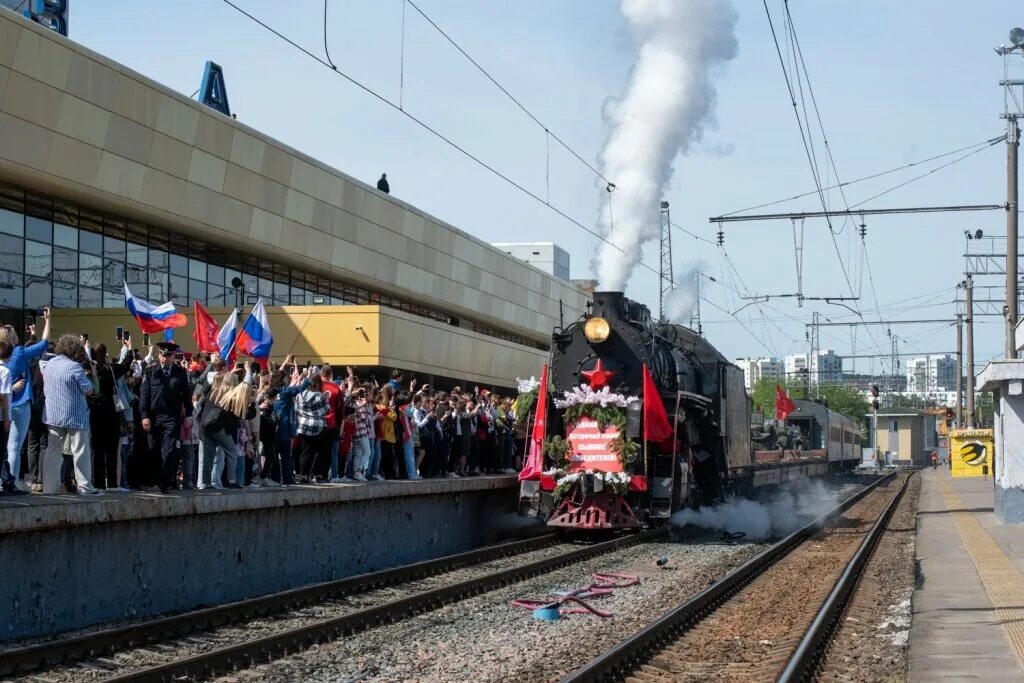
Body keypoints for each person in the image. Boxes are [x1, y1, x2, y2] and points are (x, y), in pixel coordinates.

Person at [0, 308, 51, 493]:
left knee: (4, 447)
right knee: (14, 447)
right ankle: (10, 483)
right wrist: (47, 321)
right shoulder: (19, 352)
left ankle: (4, 481)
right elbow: (44, 344)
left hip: (3, 404)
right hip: (20, 405)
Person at [40, 334, 97, 495]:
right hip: (75, 416)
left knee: (52, 451)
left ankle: (49, 488)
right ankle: (85, 486)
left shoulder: (49, 364)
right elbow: (88, 389)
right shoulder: (74, 367)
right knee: (80, 450)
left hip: (53, 414)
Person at [140, 342, 192, 493]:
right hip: (154, 417)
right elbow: (145, 396)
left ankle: (165, 483)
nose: (164, 359)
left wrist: (188, 414)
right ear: (159, 355)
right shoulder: (151, 372)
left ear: (174, 356)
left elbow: (186, 397)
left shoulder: (180, 373)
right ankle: (154, 481)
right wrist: (144, 416)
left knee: (169, 451)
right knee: (153, 449)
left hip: (172, 417)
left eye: (168, 356)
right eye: (162, 355)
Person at [87, 340, 132, 490]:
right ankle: (112, 483)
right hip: (112, 411)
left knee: (98, 450)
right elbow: (126, 364)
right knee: (112, 449)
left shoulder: (91, 368)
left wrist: (86, 348)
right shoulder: (112, 369)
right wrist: (128, 347)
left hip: (96, 411)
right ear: (106, 354)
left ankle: (98, 483)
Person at [200, 373, 253, 489]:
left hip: (206, 426)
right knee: (232, 453)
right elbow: (244, 415)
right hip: (219, 428)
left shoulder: (213, 392)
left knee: (208, 455)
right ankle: (232, 481)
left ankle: (206, 482)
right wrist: (251, 402)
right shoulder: (230, 395)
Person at [296, 373, 328, 482]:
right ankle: (313, 474)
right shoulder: (320, 396)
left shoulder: (300, 394)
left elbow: (297, 409)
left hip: (303, 425)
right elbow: (326, 410)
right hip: (316, 427)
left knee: (304, 452)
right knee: (316, 452)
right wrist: (326, 400)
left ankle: (303, 476)